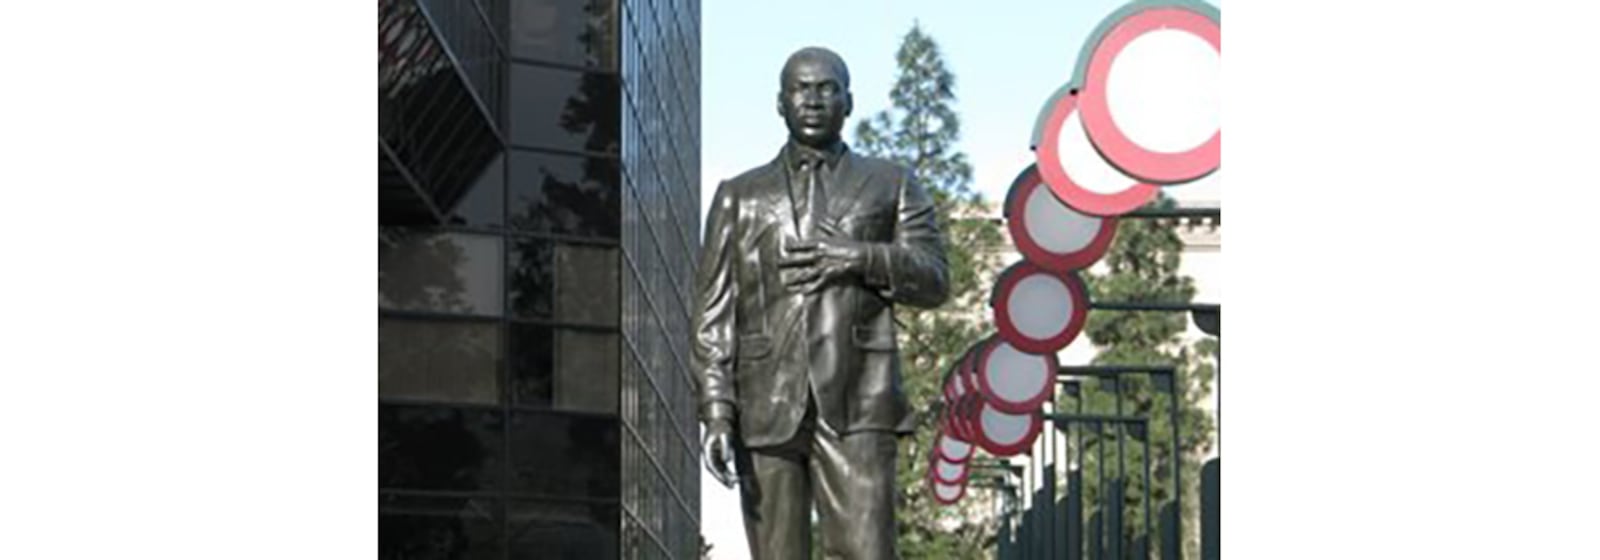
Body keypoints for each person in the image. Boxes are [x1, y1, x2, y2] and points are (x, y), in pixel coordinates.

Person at [691, 46, 950, 559]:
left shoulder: (891, 183)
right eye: (800, 89)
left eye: (826, 88)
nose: (813, 99)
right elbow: (714, 316)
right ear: (780, 103)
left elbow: (935, 279)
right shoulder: (739, 196)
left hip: (859, 399)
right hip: (765, 405)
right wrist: (717, 413)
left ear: (848, 101)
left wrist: (860, 257)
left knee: (867, 552)